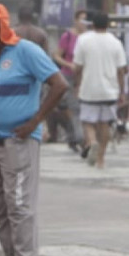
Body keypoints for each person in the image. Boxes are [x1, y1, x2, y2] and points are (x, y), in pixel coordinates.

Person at [0, 3, 69, 256]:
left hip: (18, 142)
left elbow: (59, 84)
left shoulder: (26, 51)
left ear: (3, 26)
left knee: (20, 206)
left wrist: (35, 121)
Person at [73, 11, 127, 169]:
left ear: (92, 24)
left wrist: (77, 84)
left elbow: (78, 67)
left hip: (89, 88)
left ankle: (92, 141)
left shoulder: (83, 40)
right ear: (108, 25)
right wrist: (122, 91)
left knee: (87, 121)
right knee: (105, 124)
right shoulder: (116, 42)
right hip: (110, 90)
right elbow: (121, 70)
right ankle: (101, 160)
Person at [50, 9, 88, 151]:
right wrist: (69, 64)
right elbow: (57, 55)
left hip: (84, 76)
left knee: (81, 108)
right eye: (81, 20)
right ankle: (78, 137)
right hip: (69, 75)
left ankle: (77, 137)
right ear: (75, 20)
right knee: (73, 107)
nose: (84, 23)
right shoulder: (68, 36)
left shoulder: (89, 37)